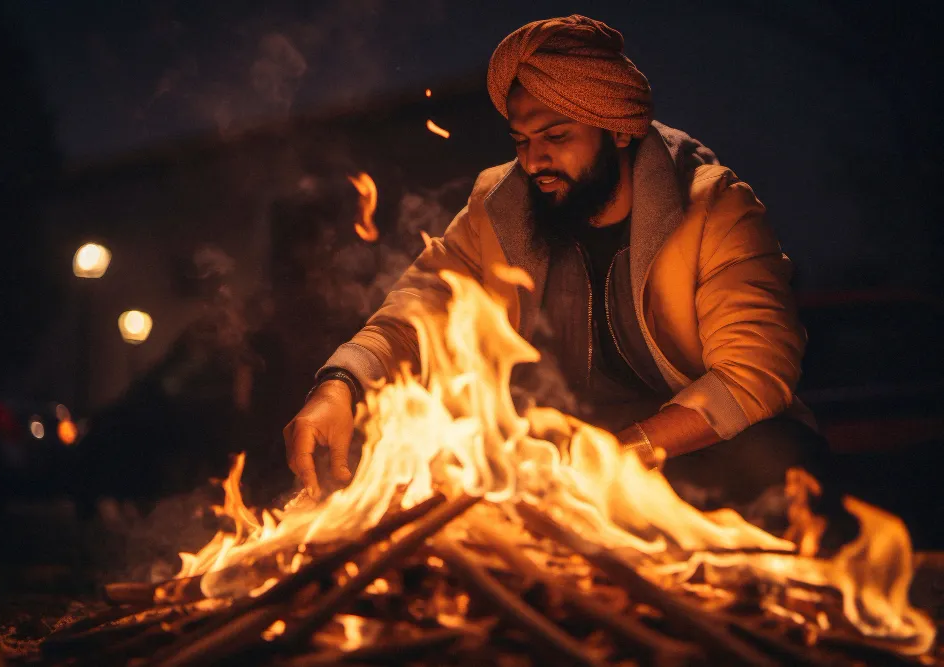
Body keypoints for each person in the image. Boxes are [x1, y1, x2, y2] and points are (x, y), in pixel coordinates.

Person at [283, 15, 825, 505]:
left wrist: (614, 460)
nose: (534, 160)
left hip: (682, 451)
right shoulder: (497, 208)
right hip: (550, 452)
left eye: (556, 136)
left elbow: (753, 373)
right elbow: (415, 314)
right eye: (521, 141)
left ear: (617, 127)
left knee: (776, 456)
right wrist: (340, 385)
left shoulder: (714, 207)